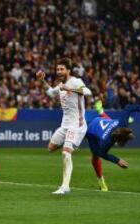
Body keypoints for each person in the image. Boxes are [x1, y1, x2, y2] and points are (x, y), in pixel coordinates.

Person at [36, 58, 92, 194]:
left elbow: (88, 93)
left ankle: (65, 187)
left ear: (68, 70)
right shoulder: (60, 85)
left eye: (62, 69)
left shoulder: (76, 81)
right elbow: (50, 93)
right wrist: (42, 81)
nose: (59, 71)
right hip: (65, 125)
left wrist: (69, 88)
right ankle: (71, 143)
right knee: (50, 147)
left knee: (66, 153)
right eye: (57, 69)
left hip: (77, 125)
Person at [87, 100, 140, 191]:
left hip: (105, 123)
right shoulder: (107, 141)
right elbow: (102, 153)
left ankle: (101, 112)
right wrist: (117, 161)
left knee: (112, 123)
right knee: (96, 155)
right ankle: (101, 181)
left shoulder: (124, 122)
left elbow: (129, 107)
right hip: (91, 132)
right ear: (119, 140)